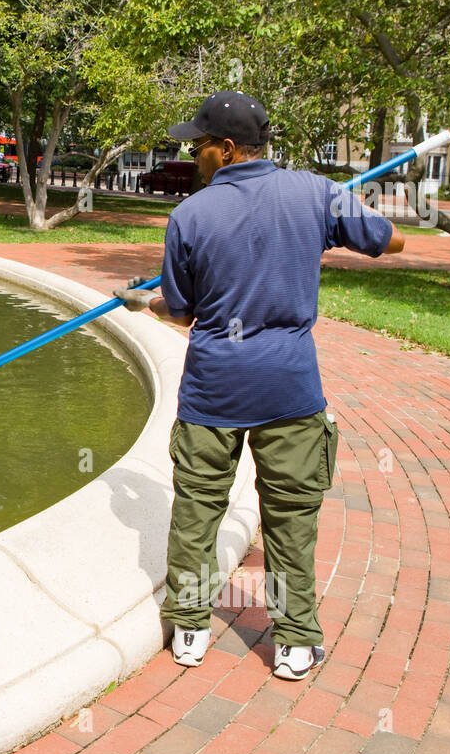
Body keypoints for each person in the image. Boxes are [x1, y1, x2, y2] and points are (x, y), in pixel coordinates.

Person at [113, 90, 405, 681]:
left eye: (198, 145)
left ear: (224, 149)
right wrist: (326, 227)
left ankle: (191, 628)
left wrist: (141, 301)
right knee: (291, 518)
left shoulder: (190, 217)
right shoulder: (315, 192)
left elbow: (183, 312)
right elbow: (392, 240)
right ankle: (296, 641)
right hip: (289, 389)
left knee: (197, 512)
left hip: (215, 389)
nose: (194, 155)